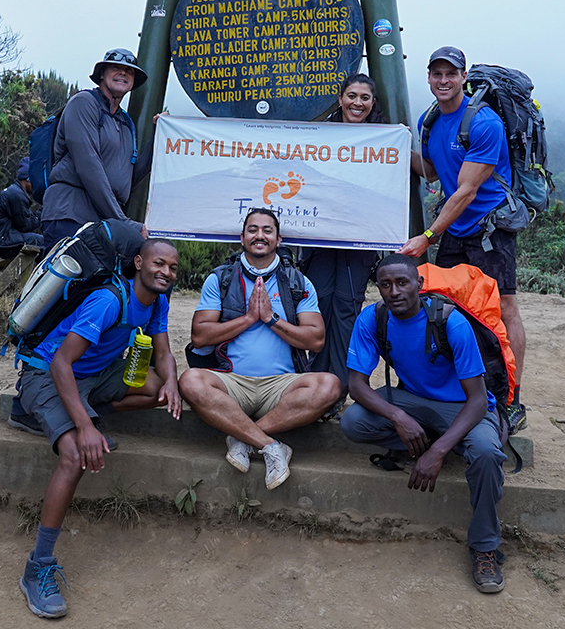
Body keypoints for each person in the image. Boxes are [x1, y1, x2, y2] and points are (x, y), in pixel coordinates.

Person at [13, 238, 182, 618]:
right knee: (73, 456)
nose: (165, 273)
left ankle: (82, 413)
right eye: (158, 264)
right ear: (139, 262)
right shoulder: (108, 300)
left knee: (156, 388)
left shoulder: (159, 301)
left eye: (172, 269)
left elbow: (164, 352)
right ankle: (38, 565)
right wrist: (86, 427)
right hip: (47, 375)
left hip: (95, 375)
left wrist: (172, 381)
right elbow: (60, 363)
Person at [339, 254, 508, 593]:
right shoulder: (374, 319)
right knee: (354, 422)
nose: (394, 291)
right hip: (413, 402)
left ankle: (485, 545)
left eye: (402, 283)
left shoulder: (450, 322)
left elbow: (477, 400)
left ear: (419, 284)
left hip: (462, 407)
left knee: (487, 453)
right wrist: (398, 417)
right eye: (385, 284)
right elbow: (356, 385)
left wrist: (438, 452)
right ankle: (426, 437)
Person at [402, 46, 529, 432]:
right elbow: (432, 173)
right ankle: (464, 390)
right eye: (436, 74)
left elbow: (466, 192)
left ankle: (512, 399)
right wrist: (389, 145)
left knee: (503, 308)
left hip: (489, 228)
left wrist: (426, 236)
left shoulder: (484, 122)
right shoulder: (430, 121)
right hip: (454, 228)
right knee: (446, 306)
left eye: (450, 74)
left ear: (463, 77)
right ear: (428, 77)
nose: (443, 81)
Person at [179, 209, 340, 490]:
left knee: (329, 385)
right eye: (253, 230)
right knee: (190, 381)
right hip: (231, 383)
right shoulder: (221, 278)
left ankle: (243, 437)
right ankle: (270, 445)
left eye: (267, 230)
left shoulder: (297, 282)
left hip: (280, 387)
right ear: (242, 238)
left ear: (278, 239)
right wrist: (248, 319)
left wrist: (271, 319)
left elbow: (315, 340)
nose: (260, 236)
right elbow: (200, 335)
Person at [300, 73, 385, 398]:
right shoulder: (320, 135)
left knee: (347, 308)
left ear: (372, 103)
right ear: (340, 99)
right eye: (352, 96)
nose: (357, 103)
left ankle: (340, 388)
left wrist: (400, 140)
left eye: (364, 97)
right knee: (318, 306)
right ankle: (314, 385)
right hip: (319, 239)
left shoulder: (383, 140)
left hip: (359, 242)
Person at [40, 48, 152, 252]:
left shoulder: (125, 123)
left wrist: (157, 138)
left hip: (102, 221)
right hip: (71, 214)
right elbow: (88, 165)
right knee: (62, 283)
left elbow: (129, 178)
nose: (123, 73)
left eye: (129, 71)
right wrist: (123, 221)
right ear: (101, 74)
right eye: (116, 68)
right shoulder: (83, 103)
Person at [0, 157, 43, 257]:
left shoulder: (15, 191)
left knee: (36, 239)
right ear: (28, 179)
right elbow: (25, 226)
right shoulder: (17, 195)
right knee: (42, 241)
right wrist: (43, 212)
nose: (37, 185)